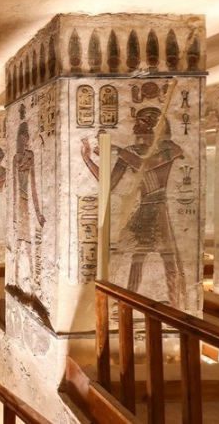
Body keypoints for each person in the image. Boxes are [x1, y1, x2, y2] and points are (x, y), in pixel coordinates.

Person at [81, 106, 186, 308]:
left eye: (139, 123)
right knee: (137, 259)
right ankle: (127, 304)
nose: (134, 128)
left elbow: (146, 164)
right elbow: (108, 183)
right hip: (144, 209)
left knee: (168, 259)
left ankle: (175, 307)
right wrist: (88, 160)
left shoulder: (171, 149)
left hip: (159, 209)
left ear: (151, 125)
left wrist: (118, 151)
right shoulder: (131, 152)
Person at [13, 121, 45, 289]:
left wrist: (38, 213)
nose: (26, 138)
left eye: (27, 136)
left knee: (28, 242)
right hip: (20, 204)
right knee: (20, 242)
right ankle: (16, 279)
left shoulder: (30, 155)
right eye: (24, 136)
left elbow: (33, 187)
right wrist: (13, 214)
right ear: (20, 138)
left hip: (26, 203)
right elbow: (14, 188)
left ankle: (32, 280)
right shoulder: (15, 158)